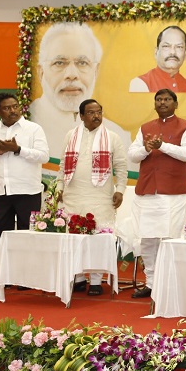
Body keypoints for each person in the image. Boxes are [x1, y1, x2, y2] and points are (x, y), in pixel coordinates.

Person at [127, 89, 186, 299]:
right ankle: (150, 282)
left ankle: (170, 283)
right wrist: (147, 149)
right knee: (148, 239)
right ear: (154, 103)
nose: (162, 102)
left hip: (172, 193)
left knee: (170, 238)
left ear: (176, 104)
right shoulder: (145, 127)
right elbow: (132, 155)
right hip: (148, 191)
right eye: (159, 99)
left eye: (167, 99)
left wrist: (163, 146)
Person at [31, 22, 132, 164]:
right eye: (59, 63)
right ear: (41, 72)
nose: (71, 75)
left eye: (82, 63)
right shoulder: (29, 124)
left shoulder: (118, 136)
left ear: (95, 71)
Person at [57, 99, 128, 295]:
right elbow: (63, 165)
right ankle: (78, 277)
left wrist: (120, 189)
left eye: (99, 112)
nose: (96, 116)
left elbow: (121, 167)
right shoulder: (70, 136)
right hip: (73, 195)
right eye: (91, 112)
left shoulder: (112, 137)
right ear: (81, 116)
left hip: (100, 197)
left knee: (98, 237)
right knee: (74, 237)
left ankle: (96, 280)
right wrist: (59, 187)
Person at [0, 93, 49, 244]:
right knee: (0, 236)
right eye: (7, 108)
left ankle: (27, 267)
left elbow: (44, 156)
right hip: (0, 192)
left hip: (28, 191)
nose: (13, 110)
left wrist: (18, 149)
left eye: (15, 106)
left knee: (29, 235)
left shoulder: (33, 129)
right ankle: (1, 267)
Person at [129, 26, 186, 93]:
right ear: (156, 52)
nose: (172, 52)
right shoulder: (140, 84)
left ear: (185, 54)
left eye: (179, 47)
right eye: (166, 46)